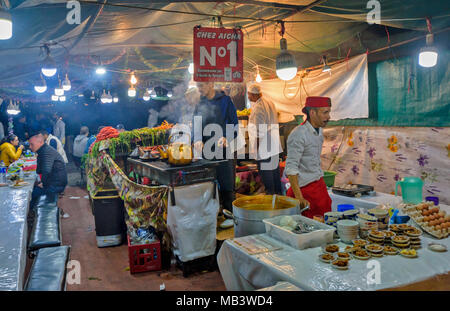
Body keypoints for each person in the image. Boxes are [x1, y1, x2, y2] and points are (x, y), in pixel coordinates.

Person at [192, 82, 238, 213]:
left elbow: (234, 123)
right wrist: (197, 139)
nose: (199, 89)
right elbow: (196, 124)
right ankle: (212, 217)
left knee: (226, 186)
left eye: (201, 86)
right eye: (198, 86)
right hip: (206, 151)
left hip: (223, 150)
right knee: (208, 186)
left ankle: (230, 216)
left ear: (210, 84)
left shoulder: (225, 101)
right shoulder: (200, 103)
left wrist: (226, 137)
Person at [285, 96, 332, 218]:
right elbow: (291, 168)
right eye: (325, 112)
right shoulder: (299, 134)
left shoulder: (319, 131)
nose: (328, 117)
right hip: (303, 190)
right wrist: (299, 198)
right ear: (312, 112)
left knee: (326, 223)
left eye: (329, 112)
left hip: (318, 185)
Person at [247, 83, 282, 195]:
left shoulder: (258, 108)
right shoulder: (269, 102)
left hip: (264, 148)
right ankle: (280, 201)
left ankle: (271, 204)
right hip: (274, 146)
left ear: (253, 95)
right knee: (275, 177)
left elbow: (258, 132)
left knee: (268, 180)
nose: (248, 96)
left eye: (248, 94)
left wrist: (256, 150)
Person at [29, 134, 68, 216]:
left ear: (40, 143)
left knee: (32, 193)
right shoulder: (42, 151)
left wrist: (43, 184)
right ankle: (32, 213)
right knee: (33, 190)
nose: (30, 147)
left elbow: (46, 170)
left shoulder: (46, 152)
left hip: (57, 184)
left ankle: (31, 214)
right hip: (54, 181)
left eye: (32, 144)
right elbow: (39, 170)